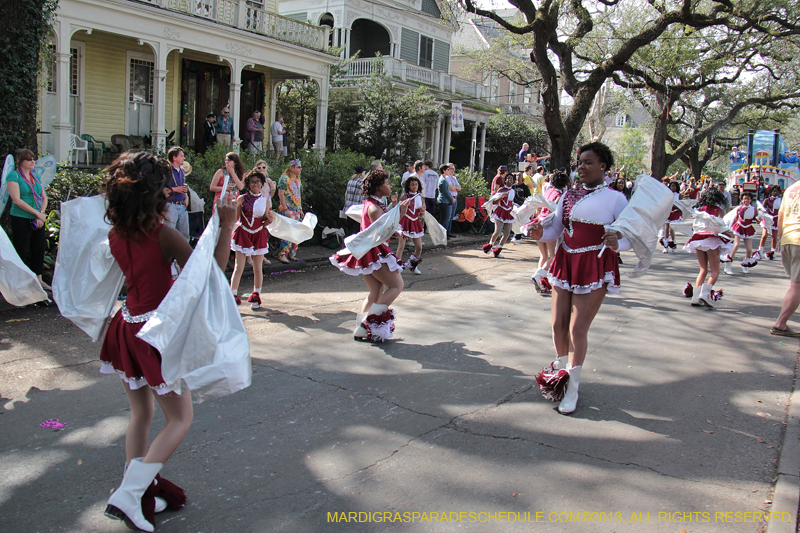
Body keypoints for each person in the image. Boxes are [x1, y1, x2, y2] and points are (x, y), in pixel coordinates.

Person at [100, 152, 237, 532]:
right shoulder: (163, 234)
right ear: (156, 194)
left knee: (141, 415)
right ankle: (130, 493)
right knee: (180, 418)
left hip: (126, 327)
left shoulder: (115, 234)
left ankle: (138, 494)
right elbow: (208, 277)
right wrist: (226, 226)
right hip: (156, 334)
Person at [526, 142, 629, 414]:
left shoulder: (616, 198)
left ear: (603, 166)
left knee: (576, 328)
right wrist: (540, 234)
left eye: (588, 162)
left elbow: (632, 234)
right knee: (558, 324)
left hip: (594, 264)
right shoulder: (568, 196)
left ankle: (573, 387)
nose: (581, 167)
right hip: (565, 260)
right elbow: (556, 229)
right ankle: (561, 377)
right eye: (579, 162)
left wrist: (618, 241)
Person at [329, 170, 410, 342]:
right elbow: (381, 230)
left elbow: (381, 229)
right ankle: (366, 323)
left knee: (375, 292)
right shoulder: (373, 207)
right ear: (379, 188)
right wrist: (400, 213)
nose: (389, 186)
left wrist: (395, 231)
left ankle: (361, 330)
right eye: (387, 183)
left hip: (369, 252)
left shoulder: (373, 203)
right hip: (374, 252)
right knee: (397, 285)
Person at [230, 170, 274, 309]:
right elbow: (236, 219)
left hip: (258, 235)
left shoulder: (265, 201)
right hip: (243, 234)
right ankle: (232, 297)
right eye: (252, 182)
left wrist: (270, 220)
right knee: (239, 267)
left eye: (258, 182)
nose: (255, 184)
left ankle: (256, 296)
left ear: (262, 184)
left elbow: (265, 222)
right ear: (248, 184)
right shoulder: (241, 199)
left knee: (257, 268)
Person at [5, 149, 49, 289]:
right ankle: (19, 282)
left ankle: (39, 280)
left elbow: (44, 197)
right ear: (20, 161)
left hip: (37, 218)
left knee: (39, 248)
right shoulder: (14, 176)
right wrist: (37, 214)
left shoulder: (35, 177)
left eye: (33, 159)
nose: (32, 162)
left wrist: (40, 214)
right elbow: (17, 200)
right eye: (29, 159)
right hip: (21, 217)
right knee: (22, 249)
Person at [682, 187, 731, 307]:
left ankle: (695, 297)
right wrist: (730, 234)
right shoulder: (719, 210)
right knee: (715, 271)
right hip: (711, 241)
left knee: (702, 270)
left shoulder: (700, 211)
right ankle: (705, 294)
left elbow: (694, 227)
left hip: (698, 240)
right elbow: (720, 227)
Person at [531, 170, 570, 293]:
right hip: (548, 226)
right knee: (553, 256)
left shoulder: (547, 191)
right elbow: (557, 210)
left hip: (538, 222)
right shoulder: (559, 195)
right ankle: (539, 276)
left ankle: (540, 283)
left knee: (543, 255)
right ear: (565, 184)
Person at [771, 178, 800, 336]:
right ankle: (780, 323)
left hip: (789, 238)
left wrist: (781, 240)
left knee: (795, 285)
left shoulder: (790, 190)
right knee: (797, 286)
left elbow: (780, 217)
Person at [275, 159, 304, 264]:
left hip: (296, 209)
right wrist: (285, 208)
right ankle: (282, 254)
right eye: (298, 167)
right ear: (291, 168)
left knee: (296, 232)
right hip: (288, 209)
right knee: (287, 231)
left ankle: (292, 253)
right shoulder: (284, 179)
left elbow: (298, 195)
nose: (300, 169)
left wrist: (300, 209)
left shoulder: (297, 179)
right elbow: (280, 194)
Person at [724, 192, 760, 274]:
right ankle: (728, 265)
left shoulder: (754, 209)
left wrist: (759, 220)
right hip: (739, 227)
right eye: (745, 199)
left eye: (748, 199)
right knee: (736, 245)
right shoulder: (739, 208)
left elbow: (757, 218)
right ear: (742, 200)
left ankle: (745, 265)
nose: (746, 200)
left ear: (751, 200)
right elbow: (735, 218)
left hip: (748, 228)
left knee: (749, 250)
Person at [396, 175, 425, 275]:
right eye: (412, 184)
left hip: (415, 222)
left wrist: (422, 211)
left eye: (416, 184)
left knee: (419, 247)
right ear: (408, 186)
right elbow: (397, 210)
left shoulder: (420, 197)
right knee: (401, 246)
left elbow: (421, 211)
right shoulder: (404, 197)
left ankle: (413, 265)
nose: (414, 186)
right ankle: (397, 267)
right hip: (404, 222)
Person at [482, 173, 515, 258]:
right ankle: (490, 245)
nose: (509, 180)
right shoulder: (501, 189)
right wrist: (501, 197)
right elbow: (494, 201)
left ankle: (498, 250)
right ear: (505, 180)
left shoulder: (513, 191)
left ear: (513, 181)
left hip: (509, 213)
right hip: (500, 211)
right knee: (497, 231)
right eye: (508, 178)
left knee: (507, 233)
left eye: (511, 179)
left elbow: (511, 202)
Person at [164, 147, 190, 241]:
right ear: (174, 158)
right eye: (181, 156)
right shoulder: (167, 171)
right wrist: (175, 189)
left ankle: (183, 254)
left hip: (182, 205)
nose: (184, 158)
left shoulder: (182, 170)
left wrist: (186, 197)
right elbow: (162, 189)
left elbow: (182, 186)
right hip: (171, 205)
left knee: (184, 235)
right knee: (170, 233)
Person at [758, 185, 782, 261]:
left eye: (777, 191)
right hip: (767, 219)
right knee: (764, 236)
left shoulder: (781, 200)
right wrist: (760, 216)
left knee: (774, 237)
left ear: (779, 192)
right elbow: (761, 209)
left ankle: (773, 253)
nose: (775, 192)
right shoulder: (767, 200)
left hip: (776, 219)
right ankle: (760, 252)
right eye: (774, 191)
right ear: (771, 192)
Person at [343, 166, 366, 236]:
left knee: (350, 228)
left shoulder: (350, 181)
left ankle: (347, 242)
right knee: (357, 229)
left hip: (348, 207)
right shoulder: (361, 182)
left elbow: (346, 194)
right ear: (362, 173)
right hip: (357, 209)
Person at [660, 182, 682, 253]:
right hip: (668, 212)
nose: (673, 188)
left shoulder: (679, 195)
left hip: (675, 212)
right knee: (666, 228)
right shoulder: (667, 195)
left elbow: (681, 204)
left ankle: (673, 243)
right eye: (672, 186)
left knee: (671, 229)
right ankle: (665, 246)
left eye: (674, 186)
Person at [437, 163, 457, 238]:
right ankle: (440, 234)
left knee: (447, 218)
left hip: (446, 201)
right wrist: (451, 199)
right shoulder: (442, 180)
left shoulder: (444, 178)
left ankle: (446, 233)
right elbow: (445, 192)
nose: (449, 170)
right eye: (448, 169)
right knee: (444, 218)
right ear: (444, 170)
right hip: (443, 201)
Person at [510, 172, 531, 243]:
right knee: (515, 219)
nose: (518, 177)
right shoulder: (513, 186)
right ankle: (516, 234)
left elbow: (528, 197)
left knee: (520, 220)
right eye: (517, 175)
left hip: (522, 206)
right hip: (514, 205)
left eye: (520, 175)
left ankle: (519, 235)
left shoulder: (524, 187)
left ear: (522, 177)